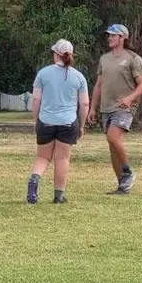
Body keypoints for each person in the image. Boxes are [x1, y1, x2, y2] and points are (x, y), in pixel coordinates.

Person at [26, 40, 89, 204]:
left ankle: (34, 181)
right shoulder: (78, 77)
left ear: (56, 54)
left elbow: (36, 99)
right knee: (62, 159)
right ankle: (59, 195)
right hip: (68, 122)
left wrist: (37, 120)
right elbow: (84, 104)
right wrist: (81, 125)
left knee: (43, 157)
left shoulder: (43, 73)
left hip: (46, 121)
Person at [88, 24, 142, 194]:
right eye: (109, 35)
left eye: (113, 35)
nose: (110, 38)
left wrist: (129, 99)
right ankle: (122, 186)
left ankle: (128, 172)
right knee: (112, 146)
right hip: (106, 108)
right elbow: (99, 85)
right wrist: (93, 108)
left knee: (113, 138)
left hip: (123, 108)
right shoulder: (104, 59)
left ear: (123, 38)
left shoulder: (133, 59)